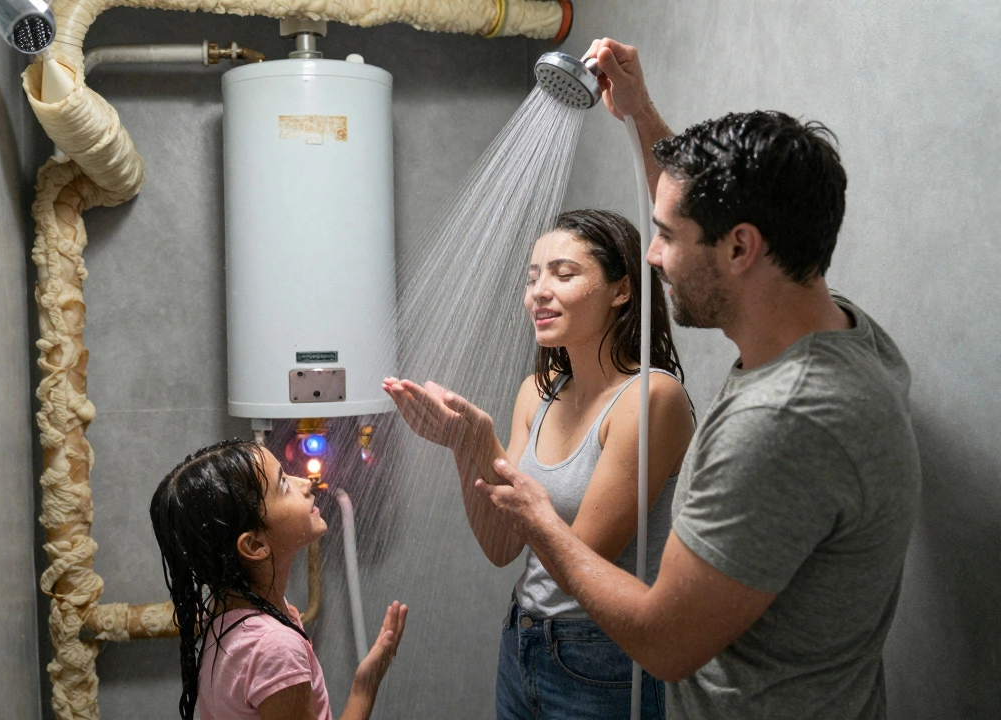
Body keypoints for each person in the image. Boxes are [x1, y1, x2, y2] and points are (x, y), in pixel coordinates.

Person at [473, 38, 921, 720]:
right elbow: (712, 204)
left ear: (741, 247)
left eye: (666, 236)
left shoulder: (780, 423)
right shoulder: (849, 334)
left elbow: (663, 642)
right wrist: (640, 114)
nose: (652, 256)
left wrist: (538, 517)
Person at [383, 209, 695, 719]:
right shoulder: (538, 393)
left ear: (621, 290)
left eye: (563, 274)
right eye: (533, 279)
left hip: (605, 658)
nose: (539, 293)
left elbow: (579, 567)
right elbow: (503, 545)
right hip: (523, 636)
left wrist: (485, 444)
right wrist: (466, 445)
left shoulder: (650, 400)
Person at [150, 439, 409, 720]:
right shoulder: (275, 648)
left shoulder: (225, 617)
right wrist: (364, 687)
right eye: (284, 484)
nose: (305, 483)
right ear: (254, 546)